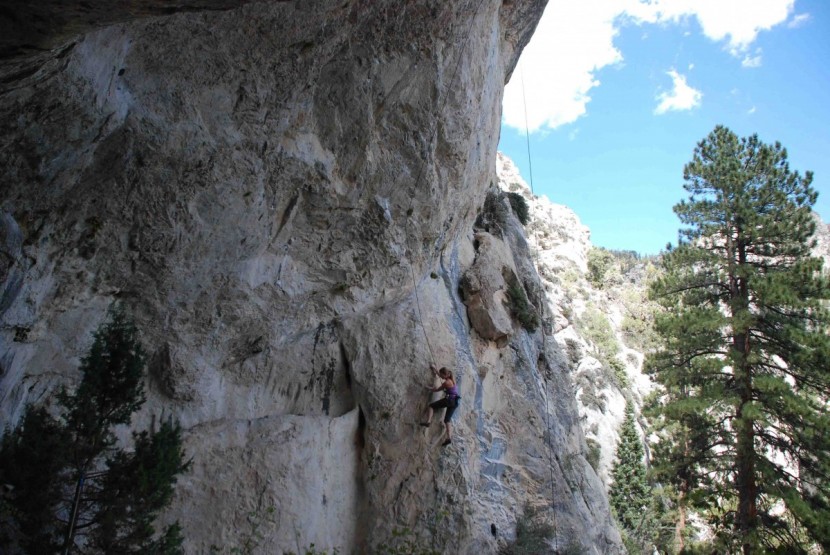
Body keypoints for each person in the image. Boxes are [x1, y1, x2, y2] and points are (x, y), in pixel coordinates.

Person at [420, 363, 459, 446]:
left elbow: (437, 389)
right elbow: (441, 376)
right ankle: (448, 438)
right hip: (455, 401)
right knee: (447, 420)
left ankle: (428, 422)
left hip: (449, 400)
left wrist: (428, 388)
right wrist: (435, 369)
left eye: (441, 375)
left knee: (431, 406)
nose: (440, 376)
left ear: (445, 375)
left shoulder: (446, 383)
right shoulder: (452, 379)